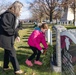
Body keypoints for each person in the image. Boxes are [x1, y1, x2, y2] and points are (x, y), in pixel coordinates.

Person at [0, 1, 24, 74]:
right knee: (12, 53)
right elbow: (6, 28)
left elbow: (13, 28)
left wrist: (16, 35)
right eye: (20, 9)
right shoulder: (7, 15)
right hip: (5, 37)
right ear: (17, 8)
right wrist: (14, 33)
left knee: (7, 52)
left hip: (8, 37)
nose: (21, 11)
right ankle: (17, 69)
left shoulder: (13, 15)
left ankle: (5, 66)